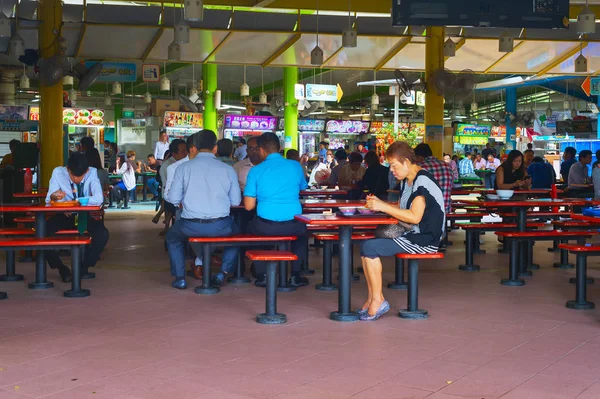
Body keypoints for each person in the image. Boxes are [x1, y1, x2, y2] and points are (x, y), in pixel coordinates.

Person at [359, 141, 445, 321]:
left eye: (393, 165)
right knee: (367, 245)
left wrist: (383, 205)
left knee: (369, 247)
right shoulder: (408, 181)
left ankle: (378, 300)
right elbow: (401, 206)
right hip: (413, 234)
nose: (391, 170)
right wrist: (380, 205)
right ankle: (373, 298)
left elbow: (414, 217)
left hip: (425, 240)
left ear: (406, 162)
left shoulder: (422, 181)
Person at [166, 130, 241, 290]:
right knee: (237, 237)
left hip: (190, 226)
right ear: (215, 148)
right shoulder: (228, 169)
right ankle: (222, 273)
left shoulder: (183, 168)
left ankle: (180, 278)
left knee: (172, 238)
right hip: (220, 226)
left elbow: (173, 199)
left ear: (195, 147)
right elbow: (235, 201)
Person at [244, 132, 309, 288]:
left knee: (250, 230)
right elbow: (303, 188)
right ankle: (295, 275)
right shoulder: (295, 166)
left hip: (265, 225)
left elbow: (248, 206)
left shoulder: (256, 171)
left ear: (260, 150)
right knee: (302, 235)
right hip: (294, 224)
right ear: (280, 148)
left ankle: (262, 274)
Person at [45, 152, 109, 282]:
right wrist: (54, 198)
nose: (76, 179)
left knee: (103, 235)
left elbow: (98, 199)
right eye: (73, 175)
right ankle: (60, 267)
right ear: (67, 169)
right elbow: (49, 200)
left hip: (84, 216)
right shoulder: (58, 172)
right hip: (64, 215)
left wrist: (74, 202)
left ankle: (83, 267)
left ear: (86, 171)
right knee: (41, 233)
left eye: (80, 176)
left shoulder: (92, 172)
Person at [414, 143, 453, 215]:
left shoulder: (419, 167)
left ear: (419, 157)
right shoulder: (448, 167)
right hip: (445, 210)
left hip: (426, 212)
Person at [161, 139, 190, 235]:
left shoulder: (188, 164)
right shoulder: (169, 166)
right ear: (174, 154)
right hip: (169, 199)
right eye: (183, 151)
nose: (186, 153)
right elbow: (169, 192)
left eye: (187, 150)